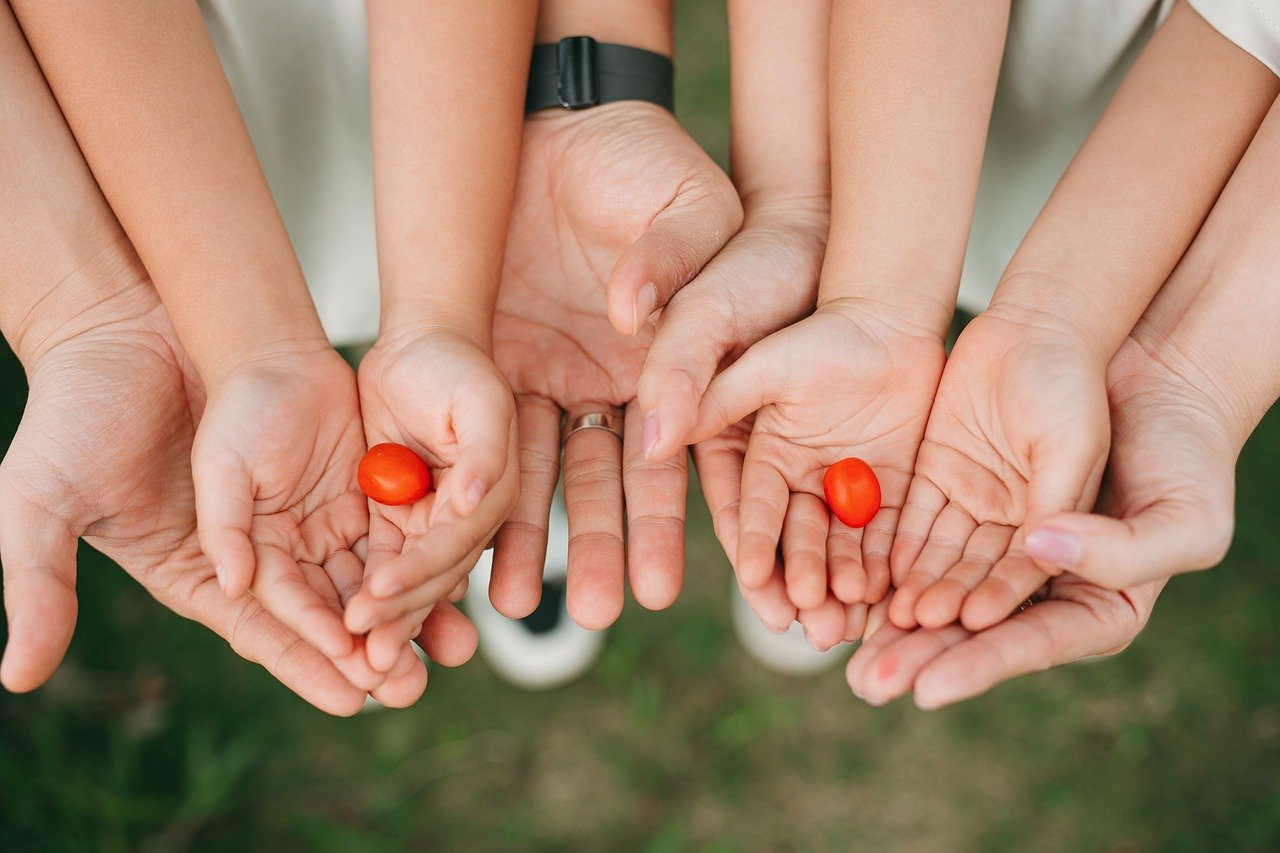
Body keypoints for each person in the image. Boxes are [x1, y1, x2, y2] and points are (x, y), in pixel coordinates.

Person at [0, 0, 475, 712]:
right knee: (337, 287)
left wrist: (445, 319)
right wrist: (81, 312)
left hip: (438, 72)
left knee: (453, 344)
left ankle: (489, 510)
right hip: (173, 119)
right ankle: (462, 500)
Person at [848, 94, 1280, 707]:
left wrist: (1191, 378)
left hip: (1144, 169)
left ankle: (833, 592)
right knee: (980, 238)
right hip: (972, 147)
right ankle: (831, 587)